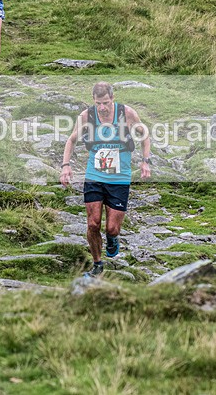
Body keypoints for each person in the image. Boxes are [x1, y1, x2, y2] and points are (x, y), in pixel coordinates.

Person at [60, 82, 152, 278]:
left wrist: (145, 162)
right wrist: (65, 166)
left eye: (106, 103)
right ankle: (97, 264)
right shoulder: (86, 116)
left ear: (113, 99)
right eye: (98, 103)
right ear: (93, 100)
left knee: (112, 228)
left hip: (120, 177)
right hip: (95, 175)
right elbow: (71, 140)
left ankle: (112, 238)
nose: (102, 107)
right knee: (93, 224)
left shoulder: (127, 114)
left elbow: (145, 137)